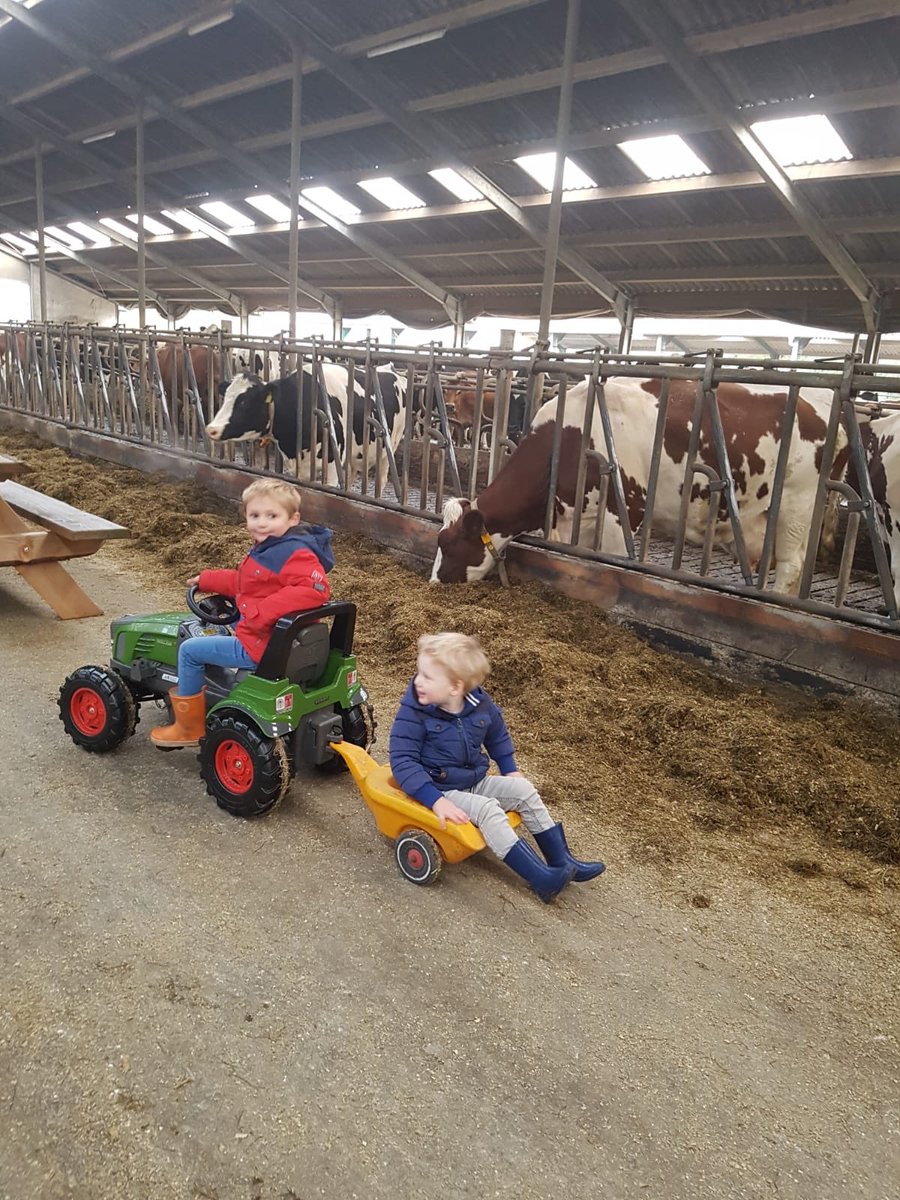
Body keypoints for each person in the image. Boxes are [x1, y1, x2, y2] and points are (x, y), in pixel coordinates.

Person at [389, 632, 605, 902]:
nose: (417, 682)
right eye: (418, 672)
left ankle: (563, 861)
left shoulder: (479, 704)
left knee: (524, 790)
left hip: (474, 779)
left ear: (456, 688)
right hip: (439, 788)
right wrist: (436, 801)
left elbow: (497, 734)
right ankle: (541, 878)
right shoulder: (414, 712)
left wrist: (509, 767)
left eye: (428, 677)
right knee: (489, 810)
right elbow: (402, 760)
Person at [151, 478, 333, 749]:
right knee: (222, 630)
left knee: (189, 650)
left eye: (272, 516)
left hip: (258, 645)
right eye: (255, 515)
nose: (261, 522)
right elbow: (245, 583)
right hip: (272, 639)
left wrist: (260, 613)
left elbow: (315, 589)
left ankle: (187, 727)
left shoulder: (293, 554)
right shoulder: (273, 548)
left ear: (293, 518)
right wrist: (208, 579)